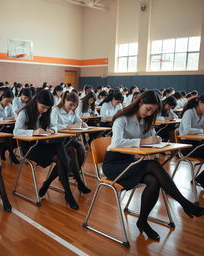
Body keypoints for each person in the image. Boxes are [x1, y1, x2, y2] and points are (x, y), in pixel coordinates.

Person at [102, 90, 204, 241]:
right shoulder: (122, 118)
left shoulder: (146, 120)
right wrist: (143, 142)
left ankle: (142, 221)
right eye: (148, 109)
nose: (149, 113)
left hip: (130, 163)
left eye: (153, 111)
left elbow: (151, 138)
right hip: (114, 165)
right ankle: (185, 204)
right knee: (152, 164)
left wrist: (155, 139)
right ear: (140, 102)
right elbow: (116, 142)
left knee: (154, 180)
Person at [13, 90, 86, 210]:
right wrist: (33, 132)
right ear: (36, 101)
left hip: (42, 145)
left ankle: (60, 188)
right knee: (62, 157)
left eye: (48, 108)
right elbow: (15, 132)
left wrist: (52, 130)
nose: (45, 110)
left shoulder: (47, 111)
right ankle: (68, 192)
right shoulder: (24, 112)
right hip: (29, 148)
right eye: (43, 107)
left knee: (59, 146)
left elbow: (54, 126)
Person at [51, 91, 91, 192]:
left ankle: (73, 174)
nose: (72, 107)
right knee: (72, 150)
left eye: (75, 106)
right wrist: (68, 126)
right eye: (71, 105)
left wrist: (83, 124)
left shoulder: (72, 112)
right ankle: (79, 181)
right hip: (57, 139)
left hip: (67, 138)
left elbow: (79, 121)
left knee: (81, 149)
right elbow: (53, 126)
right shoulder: (56, 110)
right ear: (64, 101)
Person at [179, 95, 204, 188]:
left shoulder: (202, 115)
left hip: (198, 144)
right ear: (200, 103)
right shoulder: (189, 113)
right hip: (187, 146)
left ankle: (201, 179)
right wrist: (200, 131)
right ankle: (201, 179)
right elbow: (187, 130)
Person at [0, 90, 19, 164]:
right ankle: (12, 155)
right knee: (8, 134)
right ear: (2, 98)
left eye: (10, 102)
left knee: (15, 134)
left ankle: (2, 148)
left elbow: (14, 115)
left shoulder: (9, 106)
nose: (8, 103)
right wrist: (4, 119)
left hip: (8, 126)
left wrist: (13, 118)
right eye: (7, 101)